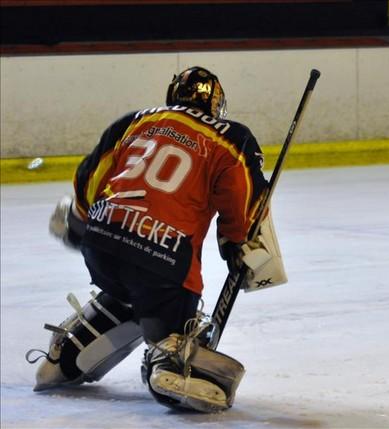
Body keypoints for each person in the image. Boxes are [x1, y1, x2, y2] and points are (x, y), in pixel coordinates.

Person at [29, 66, 281, 412]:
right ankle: (169, 359)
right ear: (217, 105)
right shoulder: (233, 137)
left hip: (101, 243)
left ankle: (69, 354)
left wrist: (83, 223)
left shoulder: (135, 121)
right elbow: (242, 205)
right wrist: (237, 245)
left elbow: (88, 181)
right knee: (163, 312)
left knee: (131, 292)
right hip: (163, 258)